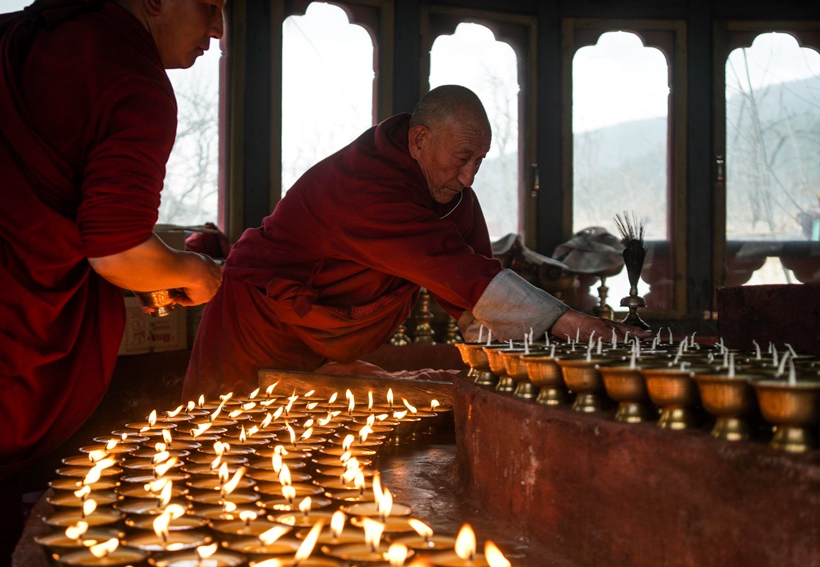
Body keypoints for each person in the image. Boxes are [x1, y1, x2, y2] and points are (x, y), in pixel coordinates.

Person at [184, 84, 649, 402]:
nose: (469, 177)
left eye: (480, 161)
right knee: (224, 441)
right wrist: (572, 322)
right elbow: (455, 269)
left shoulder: (453, 196)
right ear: (419, 140)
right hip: (256, 326)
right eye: (462, 158)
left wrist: (506, 377)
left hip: (323, 341)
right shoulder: (365, 185)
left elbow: (475, 300)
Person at [0, 0, 224, 563]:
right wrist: (197, 273)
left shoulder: (10, 39)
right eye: (210, 5)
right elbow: (118, 249)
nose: (218, 29)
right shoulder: (130, 74)